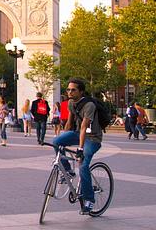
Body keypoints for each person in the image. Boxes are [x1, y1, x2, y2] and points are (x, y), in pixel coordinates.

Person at [52, 78, 103, 215]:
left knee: (83, 166)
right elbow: (70, 123)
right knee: (56, 141)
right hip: (77, 133)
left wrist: (80, 149)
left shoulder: (89, 106)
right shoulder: (70, 103)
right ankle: (68, 171)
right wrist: (62, 138)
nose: (69, 92)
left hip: (92, 138)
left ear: (81, 91)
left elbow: (84, 127)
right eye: (68, 89)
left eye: (73, 90)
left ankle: (89, 200)